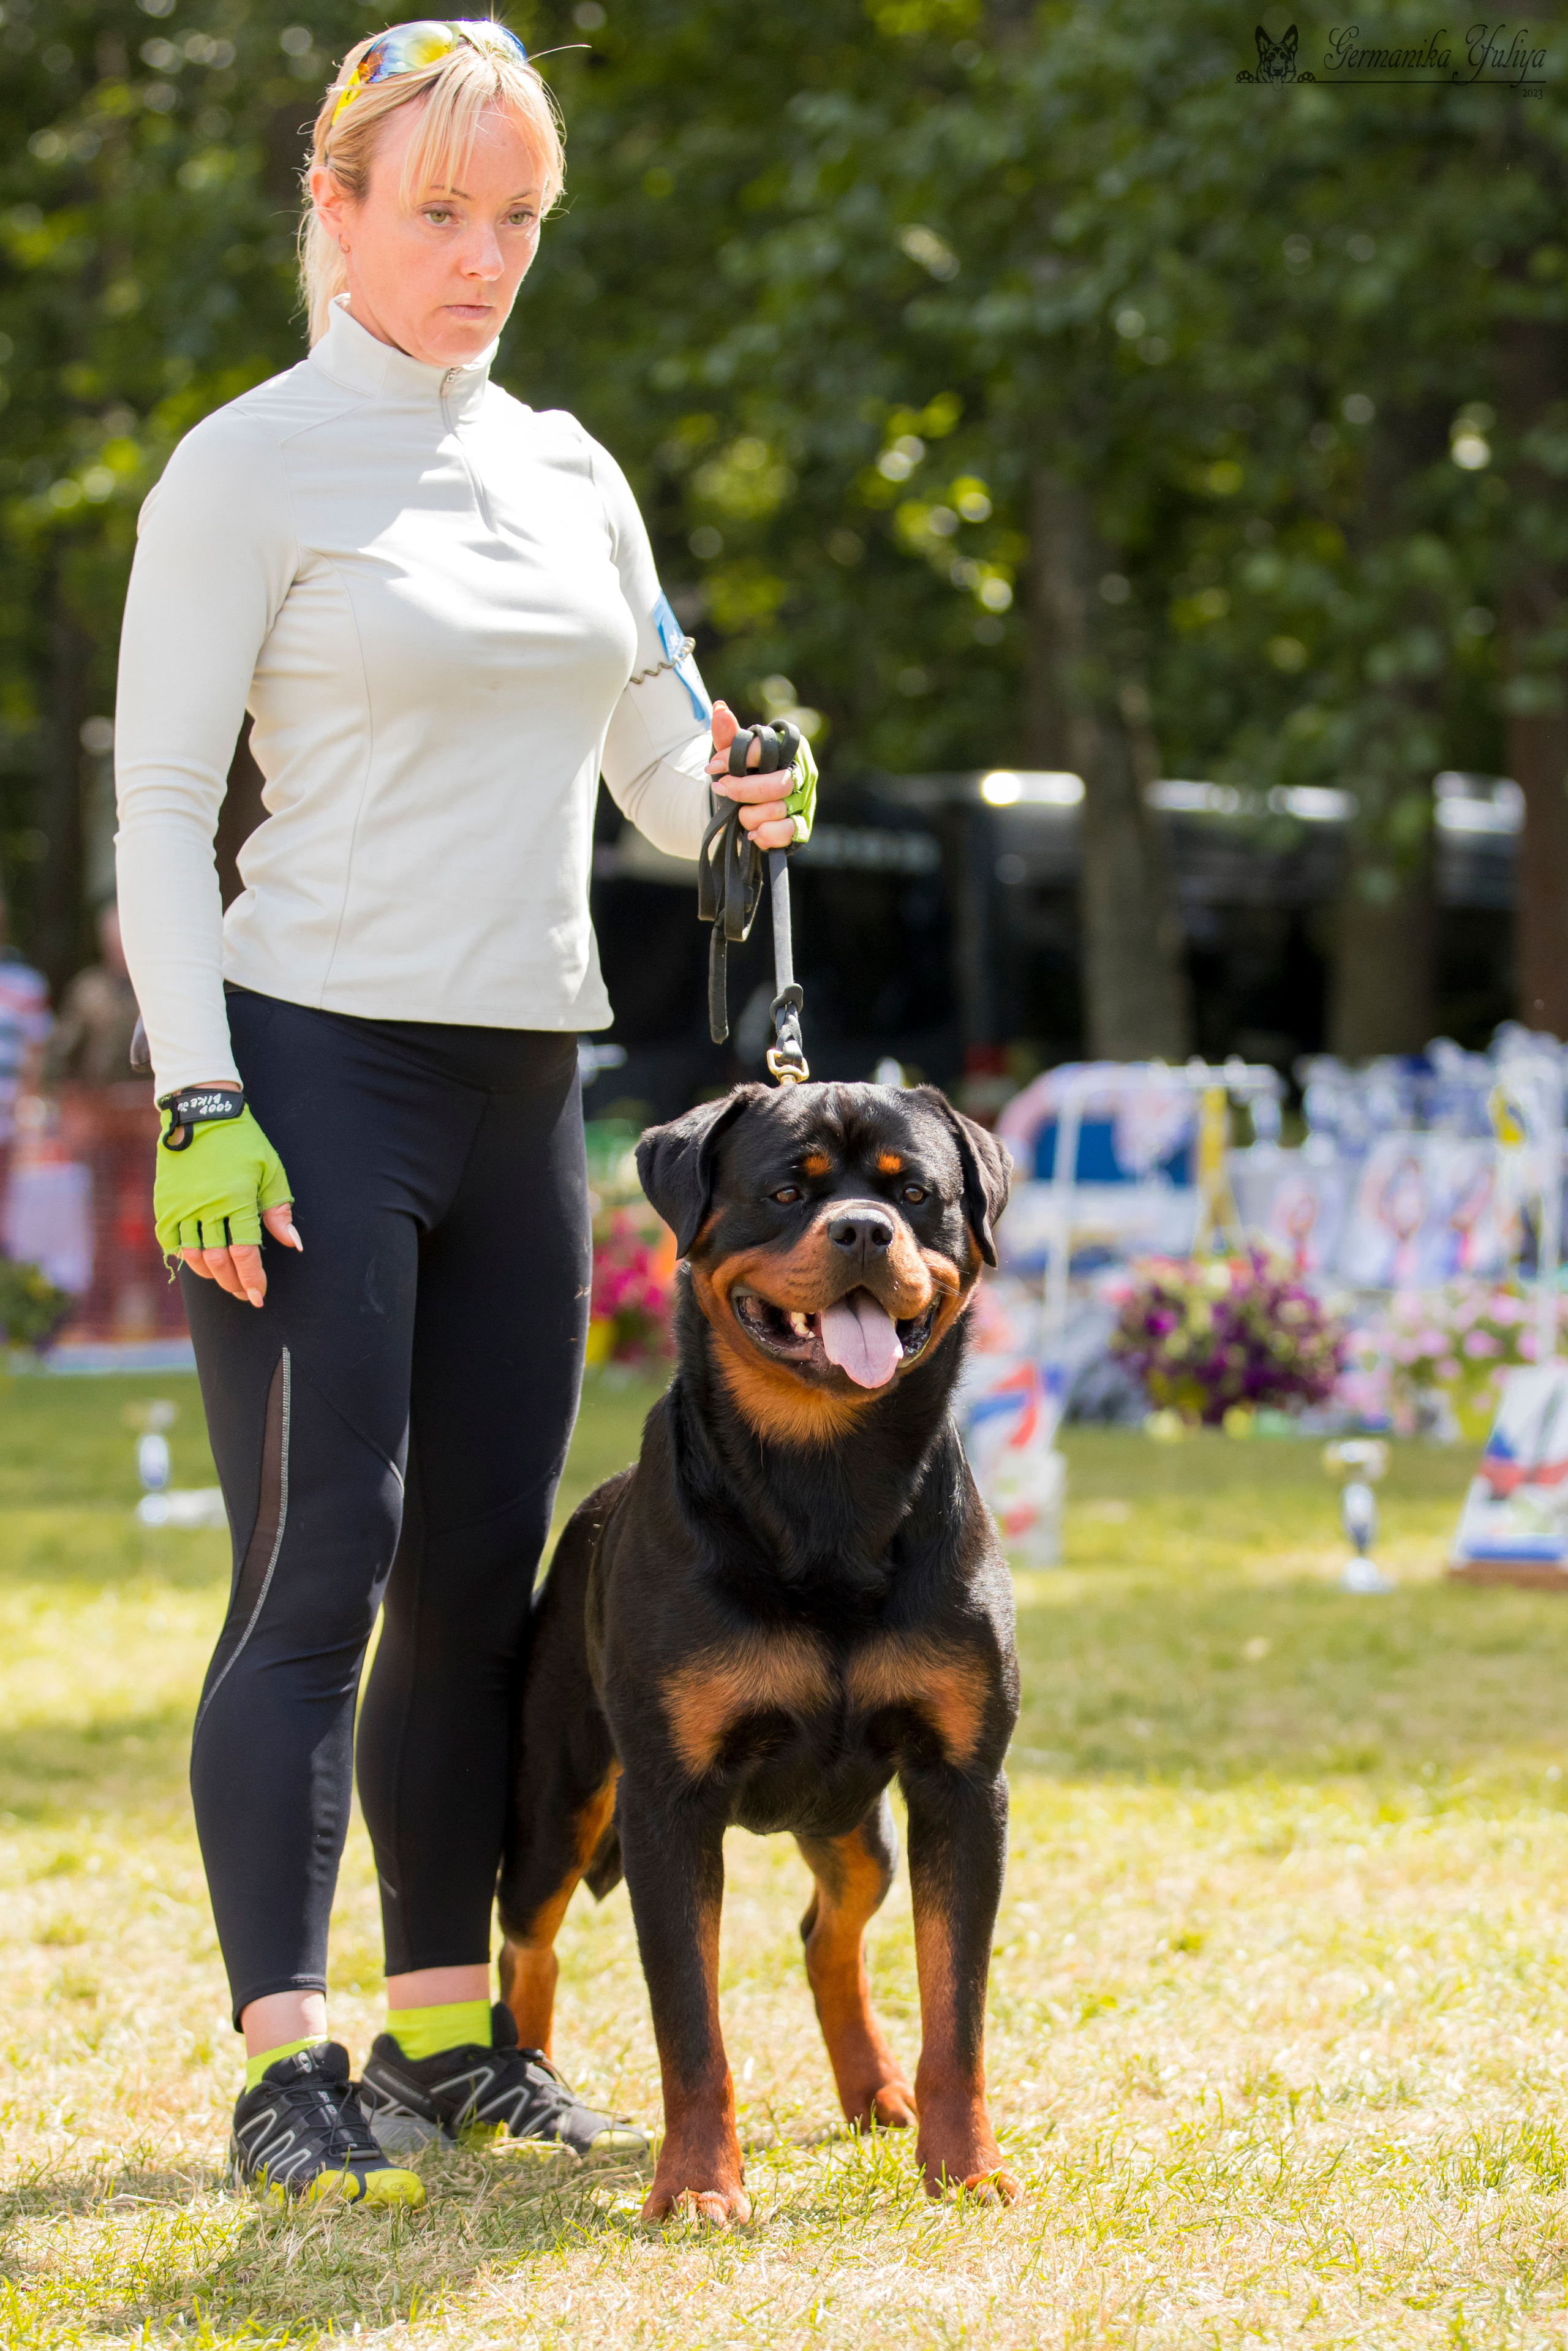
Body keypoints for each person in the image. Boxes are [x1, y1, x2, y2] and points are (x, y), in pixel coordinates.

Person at [113, 20, 815, 2209]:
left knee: (476, 1586)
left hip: (528, 1074)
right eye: (437, 211)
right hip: (307, 1065)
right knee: (314, 1566)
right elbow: (150, 798)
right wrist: (195, 1091)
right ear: (331, 212)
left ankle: (445, 2030)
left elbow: (651, 758)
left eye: (515, 216)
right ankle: (280, 2057)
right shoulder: (244, 468)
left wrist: (740, 785)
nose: (480, 253)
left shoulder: (572, 472)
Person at [42, 904, 142, 1088]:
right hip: (97, 1100)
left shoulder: (153, 990)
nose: (119, 948)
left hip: (148, 1100)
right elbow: (61, 1050)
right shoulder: (89, 990)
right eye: (114, 941)